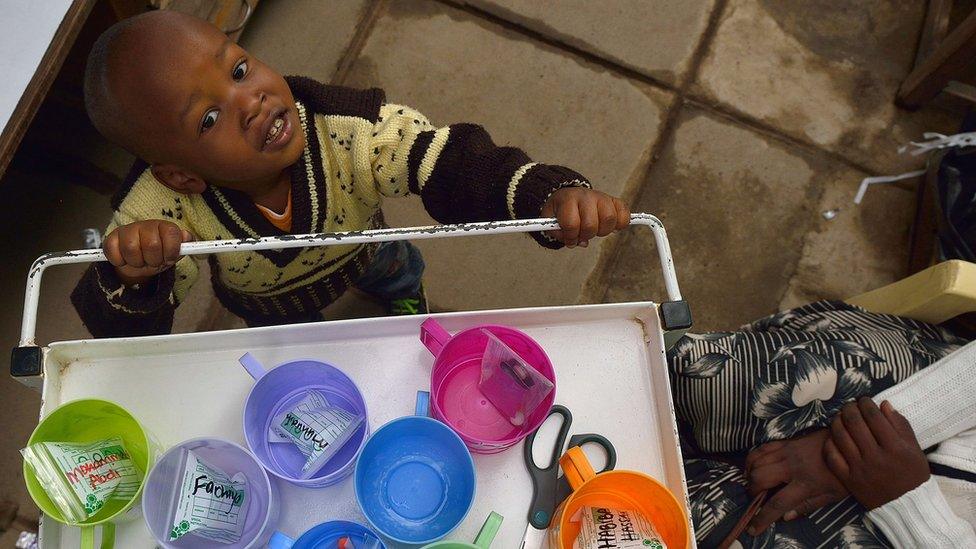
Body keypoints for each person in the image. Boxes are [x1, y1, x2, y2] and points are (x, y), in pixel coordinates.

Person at [71, 11, 631, 336]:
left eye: (239, 69)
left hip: (364, 250)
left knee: (397, 271)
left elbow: (451, 162)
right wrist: (133, 275)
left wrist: (545, 196)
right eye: (210, 117)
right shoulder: (161, 211)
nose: (253, 101)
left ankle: (405, 302)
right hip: (268, 306)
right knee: (293, 349)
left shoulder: (348, 132)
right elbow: (121, 336)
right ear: (181, 176)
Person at [669, 301, 976, 547]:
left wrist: (909, 505)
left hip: (914, 533)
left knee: (680, 525)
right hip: (941, 400)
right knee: (715, 381)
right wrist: (860, 442)